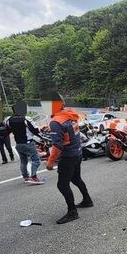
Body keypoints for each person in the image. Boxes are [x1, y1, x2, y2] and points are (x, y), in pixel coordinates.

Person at [46, 94, 93, 224]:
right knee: (76, 178)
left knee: (62, 185)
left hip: (68, 157)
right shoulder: (70, 114)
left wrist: (50, 162)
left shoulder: (56, 122)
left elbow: (57, 145)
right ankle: (87, 200)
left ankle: (72, 212)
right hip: (77, 152)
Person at [6, 105, 44, 184]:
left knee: (23, 161)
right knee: (36, 160)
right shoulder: (26, 119)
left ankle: (26, 177)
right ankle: (33, 177)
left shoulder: (9, 120)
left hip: (18, 144)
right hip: (28, 143)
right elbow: (35, 130)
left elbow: (8, 131)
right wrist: (40, 136)